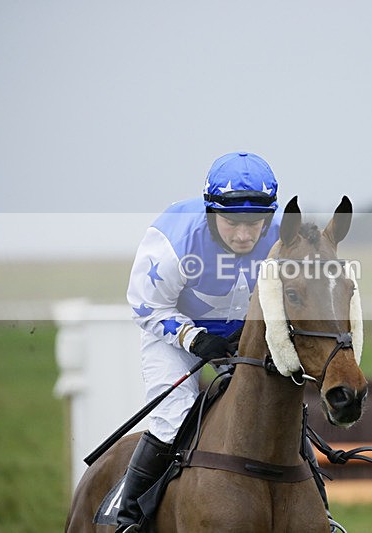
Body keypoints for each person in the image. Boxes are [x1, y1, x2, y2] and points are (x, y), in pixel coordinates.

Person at [117, 152, 282, 531]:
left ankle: (317, 508)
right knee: (175, 416)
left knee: (279, 411)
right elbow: (146, 307)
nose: (243, 235)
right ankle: (128, 519)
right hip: (173, 333)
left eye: (254, 224)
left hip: (245, 336)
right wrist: (193, 337)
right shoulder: (173, 238)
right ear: (210, 213)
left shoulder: (280, 239)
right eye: (230, 224)